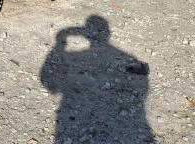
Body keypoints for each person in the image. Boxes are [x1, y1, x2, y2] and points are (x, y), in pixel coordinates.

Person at [40, 15, 156, 143]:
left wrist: (59, 44)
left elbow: (49, 84)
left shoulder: (122, 58)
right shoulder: (126, 57)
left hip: (74, 112)